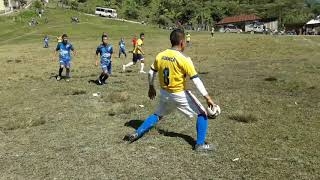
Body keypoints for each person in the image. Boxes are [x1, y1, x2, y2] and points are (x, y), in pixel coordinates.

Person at [124, 29, 218, 152]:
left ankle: (137, 133)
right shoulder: (184, 58)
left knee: (157, 115)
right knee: (203, 114)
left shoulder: (161, 55)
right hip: (180, 94)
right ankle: (199, 145)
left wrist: (151, 87)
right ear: (182, 42)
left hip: (165, 94)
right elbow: (196, 80)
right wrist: (208, 98)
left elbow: (151, 72)